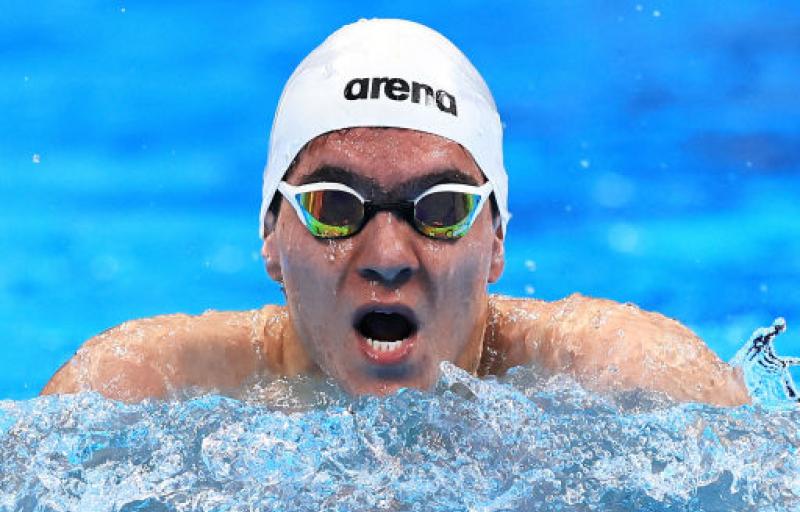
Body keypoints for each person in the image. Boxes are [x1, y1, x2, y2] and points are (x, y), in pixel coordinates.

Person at [41, 19, 750, 406]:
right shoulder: (137, 385)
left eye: (439, 209)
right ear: (269, 238)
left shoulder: (633, 378)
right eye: (332, 207)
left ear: (496, 241)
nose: (386, 253)